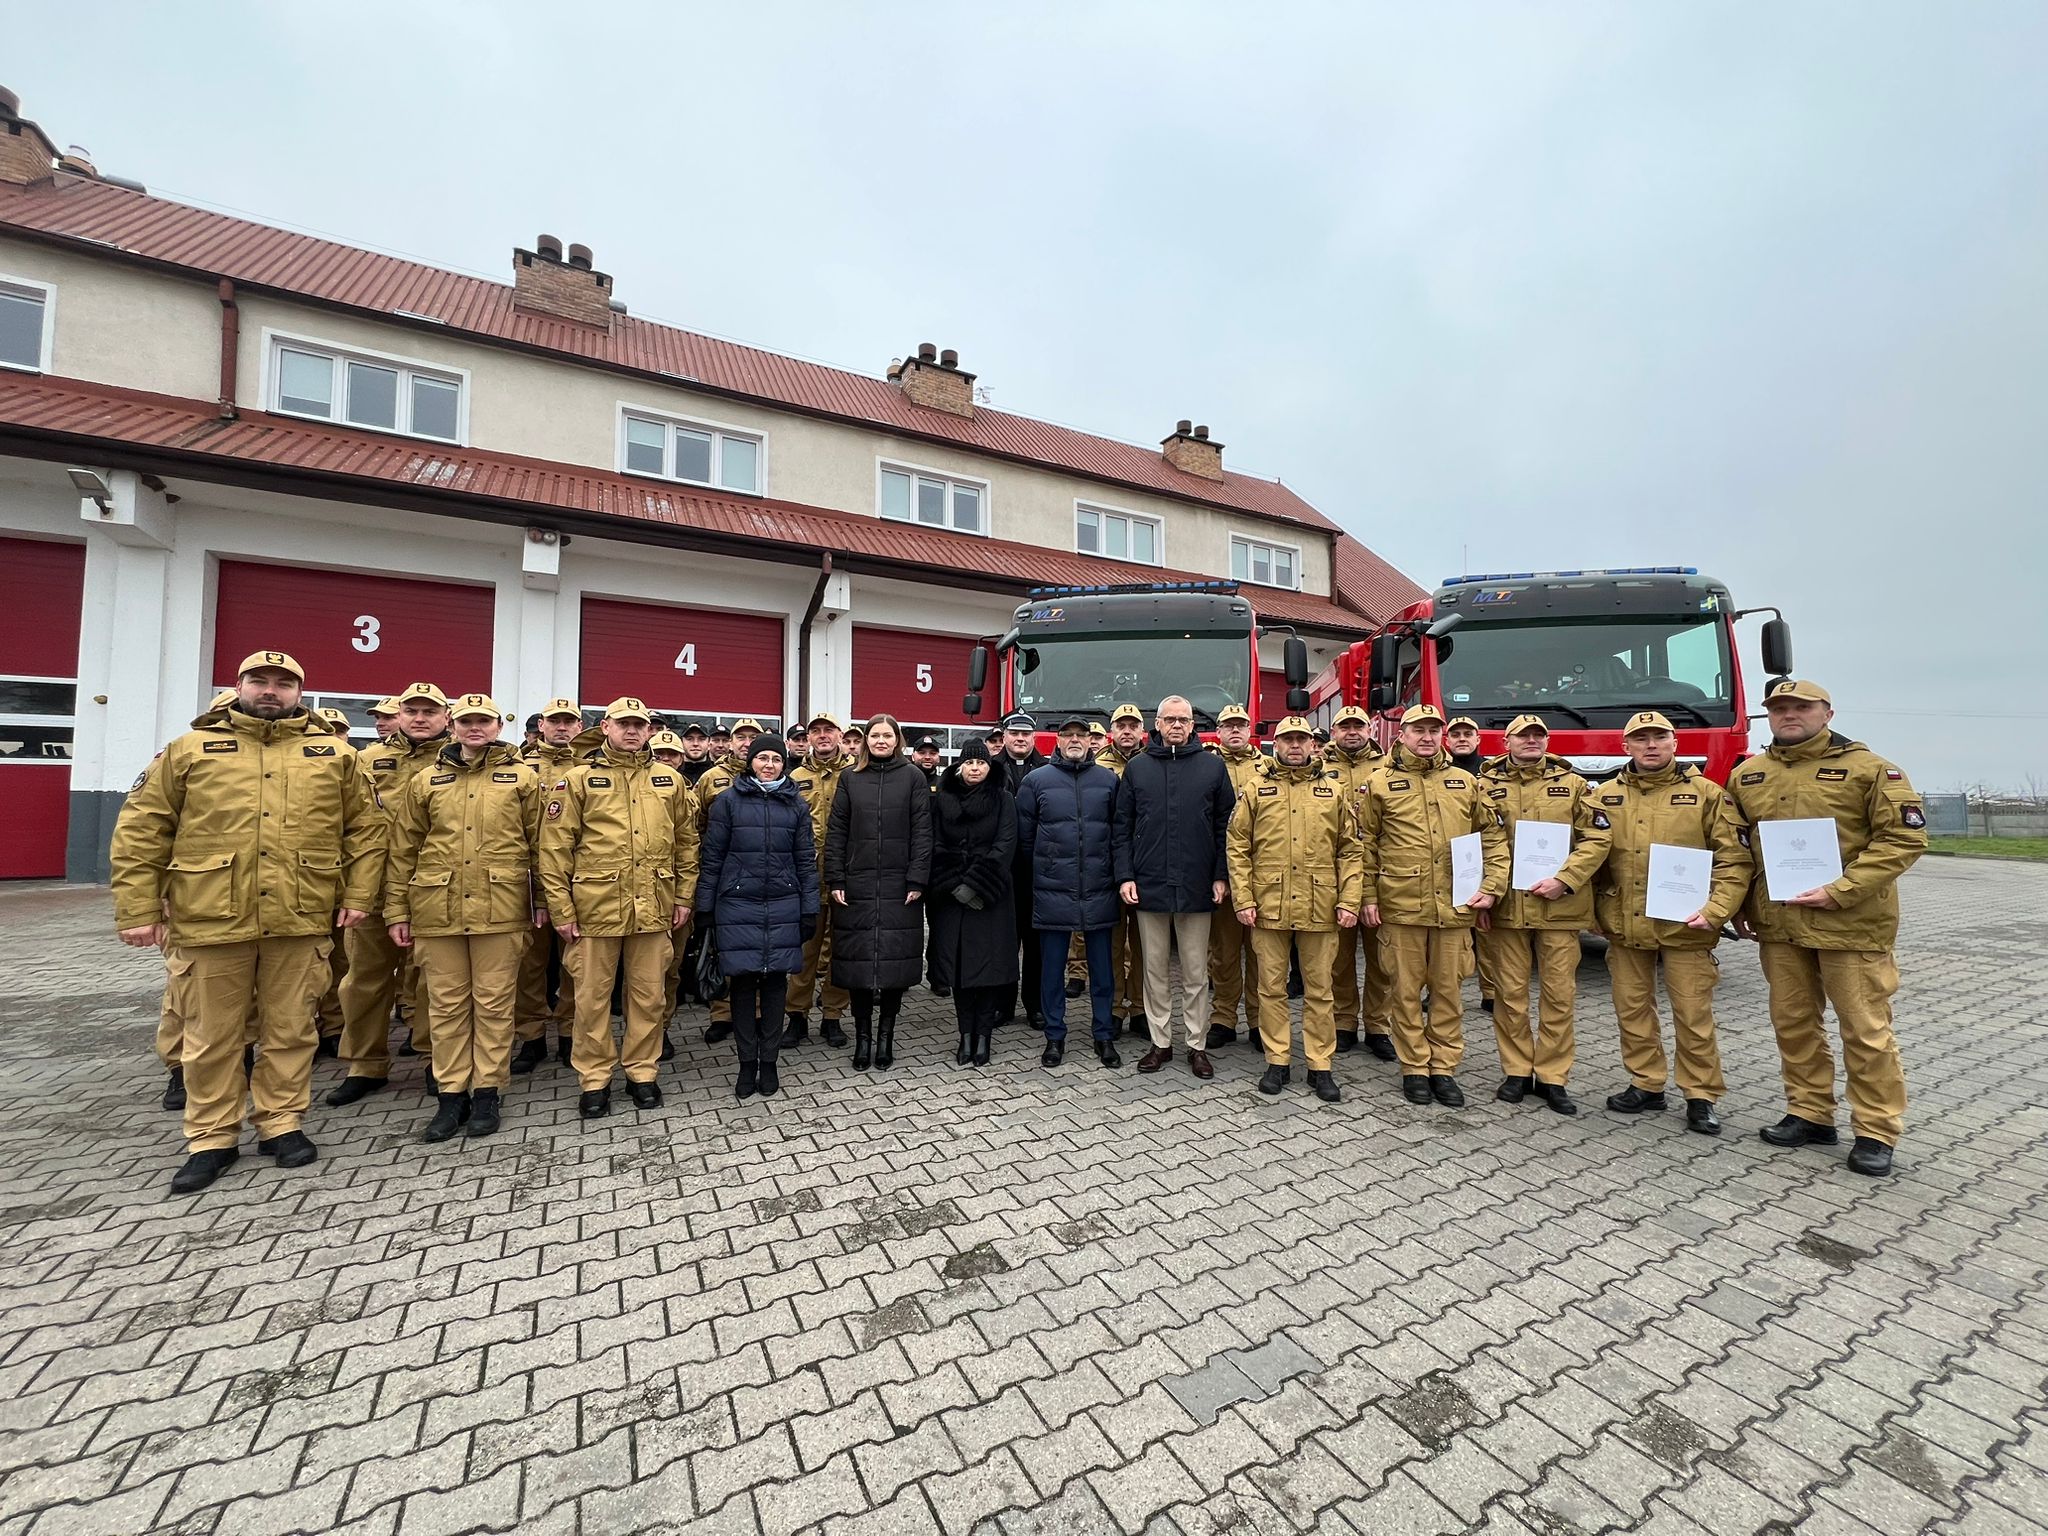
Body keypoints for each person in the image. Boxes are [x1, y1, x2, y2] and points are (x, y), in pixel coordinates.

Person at [111, 651, 382, 1194]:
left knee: (291, 1029)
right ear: (238, 686)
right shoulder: (189, 750)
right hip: (211, 915)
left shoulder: (334, 754)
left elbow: (366, 830)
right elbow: (143, 829)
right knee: (211, 1035)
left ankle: (281, 1122)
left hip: (300, 914)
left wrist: (358, 895)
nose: (270, 690)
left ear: (300, 692)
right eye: (260, 681)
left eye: (283, 683)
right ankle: (212, 1136)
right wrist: (138, 908)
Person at [1725, 680, 1926, 1177]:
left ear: (1827, 713)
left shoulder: (1871, 770)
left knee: (1865, 1028)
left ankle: (1876, 1130)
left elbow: (1904, 838)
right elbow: (1739, 848)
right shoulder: (1748, 775)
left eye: (1802, 707)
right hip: (1780, 923)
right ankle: (1810, 1112)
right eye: (1779, 708)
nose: (1789, 714)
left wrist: (1841, 889)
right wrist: (1740, 904)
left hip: (1850, 923)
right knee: (1793, 1022)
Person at [383, 694, 544, 1142]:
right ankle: (451, 1095)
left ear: (498, 727)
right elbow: (403, 850)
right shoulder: (426, 780)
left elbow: (541, 847)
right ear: (453, 725)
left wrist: (544, 902)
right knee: (446, 1006)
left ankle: (488, 1091)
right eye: (468, 720)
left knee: (494, 1005)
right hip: (438, 909)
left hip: (502, 908)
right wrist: (396, 909)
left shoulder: (523, 778)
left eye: (484, 721)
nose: (476, 728)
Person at [1591, 710, 1753, 1136]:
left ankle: (1700, 1095)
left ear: (1675, 744)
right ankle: (1646, 1083)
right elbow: (1591, 860)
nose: (1651, 745)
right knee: (1632, 1009)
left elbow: (1734, 861)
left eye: (1659, 737)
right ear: (1625, 746)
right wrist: (1592, 913)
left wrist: (1716, 911)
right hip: (1624, 924)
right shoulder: (1605, 795)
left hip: (1686, 926)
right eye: (1640, 739)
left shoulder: (1707, 794)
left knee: (1692, 1013)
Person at [536, 697, 697, 1117]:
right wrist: (562, 910)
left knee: (649, 997)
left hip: (654, 905)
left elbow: (686, 843)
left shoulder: (669, 780)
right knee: (591, 999)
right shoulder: (578, 779)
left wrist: (683, 896)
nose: (631, 731)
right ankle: (594, 1078)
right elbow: (554, 849)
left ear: (649, 730)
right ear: (605, 726)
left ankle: (642, 1072)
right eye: (623, 723)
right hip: (595, 908)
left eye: (639, 725)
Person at [1356, 704, 1509, 1107]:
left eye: (1433, 730)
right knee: (1404, 992)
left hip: (1455, 907)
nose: (1426, 737)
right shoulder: (1379, 783)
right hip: (1401, 906)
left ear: (1442, 735)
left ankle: (1443, 1067)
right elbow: (1365, 844)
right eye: (1418, 730)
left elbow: (1492, 838)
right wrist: (1368, 896)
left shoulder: (1466, 782)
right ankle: (1414, 1067)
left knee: (1448, 992)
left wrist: (1492, 886)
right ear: (1402, 735)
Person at [1475, 715, 1609, 1115]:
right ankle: (1516, 1070)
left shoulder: (1574, 785)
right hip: (1507, 907)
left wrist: (1566, 879)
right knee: (1510, 995)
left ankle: (1552, 1076)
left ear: (1547, 741)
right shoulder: (1484, 786)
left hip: (1558, 907)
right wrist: (1482, 895)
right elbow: (1472, 842)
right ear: (1506, 742)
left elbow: (1598, 836)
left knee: (1558, 996)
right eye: (1523, 736)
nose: (1531, 741)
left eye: (1538, 736)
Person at [1226, 717, 1364, 1100]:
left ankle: (1320, 1064)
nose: (1295, 745)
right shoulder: (1256, 789)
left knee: (1320, 989)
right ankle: (1278, 1060)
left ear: (1313, 744)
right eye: (1287, 739)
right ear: (1276, 744)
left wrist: (1350, 900)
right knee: (1271, 988)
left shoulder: (1333, 791)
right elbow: (1237, 847)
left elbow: (1350, 850)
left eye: (1302, 739)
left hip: (1321, 906)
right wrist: (1244, 899)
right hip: (1268, 904)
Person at [329, 682, 450, 1106]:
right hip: (375, 889)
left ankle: (435, 1061)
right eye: (411, 711)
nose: (420, 718)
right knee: (364, 982)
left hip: (436, 890)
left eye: (429, 712)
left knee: (433, 984)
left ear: (446, 717)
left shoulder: (457, 760)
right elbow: (346, 823)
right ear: (398, 716)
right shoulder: (366, 759)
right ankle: (365, 1065)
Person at [1114, 695, 1235, 1078]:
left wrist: (1221, 875)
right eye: (1170, 719)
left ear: (1193, 725)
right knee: (1155, 972)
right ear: (1158, 724)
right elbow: (1122, 827)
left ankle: (1197, 1046)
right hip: (1149, 884)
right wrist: (1125, 875)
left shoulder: (1212, 767)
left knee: (1196, 973)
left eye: (1184, 719)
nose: (1177, 725)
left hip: (1197, 885)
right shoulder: (1138, 768)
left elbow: (1225, 827)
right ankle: (1160, 1043)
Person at [696, 733, 818, 1099]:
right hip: (738, 904)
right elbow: (712, 858)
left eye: (776, 759)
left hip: (783, 904)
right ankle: (747, 1063)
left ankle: (771, 1061)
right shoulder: (728, 802)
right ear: (750, 761)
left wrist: (809, 909)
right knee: (744, 985)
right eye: (763, 758)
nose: (769, 765)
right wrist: (705, 907)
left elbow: (806, 862)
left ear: (784, 764)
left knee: (776, 985)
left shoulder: (796, 805)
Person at [826, 714, 933, 1070]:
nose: (881, 741)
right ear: (865, 741)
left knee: (893, 966)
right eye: (875, 735)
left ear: (897, 740)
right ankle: (862, 1038)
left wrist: (917, 879)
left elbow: (922, 833)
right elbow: (837, 831)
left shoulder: (913, 777)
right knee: (857, 965)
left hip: (899, 886)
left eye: (888, 735)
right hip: (856, 884)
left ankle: (885, 1037)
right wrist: (836, 878)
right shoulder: (850, 778)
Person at [1016, 718, 1123, 1068]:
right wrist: (1041, 873)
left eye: (1081, 735)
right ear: (1057, 741)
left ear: (1091, 741)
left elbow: (1118, 834)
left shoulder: (1108, 781)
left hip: (1099, 887)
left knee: (1102, 971)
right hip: (1053, 889)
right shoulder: (1036, 781)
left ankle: (1103, 1035)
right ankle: (1054, 1036)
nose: (1075, 740)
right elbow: (1024, 838)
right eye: (1068, 735)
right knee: (1051, 971)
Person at [926, 737, 1019, 1067]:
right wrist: (955, 884)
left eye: (981, 762)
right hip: (951, 898)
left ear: (989, 766)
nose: (975, 768)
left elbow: (1005, 844)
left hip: (991, 896)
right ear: (960, 766)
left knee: (988, 970)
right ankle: (965, 1034)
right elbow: (935, 842)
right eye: (969, 762)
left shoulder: (1003, 798)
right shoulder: (943, 799)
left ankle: (984, 1036)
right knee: (959, 971)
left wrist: (977, 886)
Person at [512, 698, 584, 1073]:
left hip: (575, 880)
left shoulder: (588, 768)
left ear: (579, 726)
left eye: (569, 721)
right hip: (526, 880)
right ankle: (531, 1036)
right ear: (541, 725)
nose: (562, 727)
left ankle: (570, 1033)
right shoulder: (517, 767)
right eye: (555, 721)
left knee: (574, 964)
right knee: (530, 965)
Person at [1321, 705, 1393, 1061]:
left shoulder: (1389, 767)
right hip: (1335, 878)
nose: (1352, 732)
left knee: (1382, 960)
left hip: (1381, 877)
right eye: (1345, 726)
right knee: (1339, 959)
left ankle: (1378, 1026)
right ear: (1334, 732)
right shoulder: (1319, 768)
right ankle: (1344, 1022)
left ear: (1370, 731)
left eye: (1359, 726)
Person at [785, 712, 852, 1049]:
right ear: (808, 738)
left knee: (841, 951)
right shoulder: (794, 777)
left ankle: (832, 1016)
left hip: (845, 878)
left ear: (840, 734)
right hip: (807, 881)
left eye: (829, 730)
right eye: (816, 731)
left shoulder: (855, 774)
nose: (823, 735)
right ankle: (796, 1016)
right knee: (803, 953)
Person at [693, 718, 762, 1044]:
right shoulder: (711, 778)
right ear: (729, 742)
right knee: (722, 946)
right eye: (741, 737)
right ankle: (721, 1014)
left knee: (756, 945)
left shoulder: (769, 775)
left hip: (758, 875)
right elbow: (696, 825)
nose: (746, 743)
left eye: (753, 737)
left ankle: (757, 1012)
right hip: (722, 875)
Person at [1204, 705, 1265, 1047]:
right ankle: (1223, 1018)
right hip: (1224, 871)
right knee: (1224, 952)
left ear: (1249, 728)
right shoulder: (1209, 766)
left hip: (1261, 874)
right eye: (1228, 726)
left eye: (1241, 725)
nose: (1235, 731)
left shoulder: (1267, 767)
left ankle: (1258, 1020)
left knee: (1259, 953)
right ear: (1219, 731)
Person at [1094, 703, 1149, 1033]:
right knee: (1111, 944)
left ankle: (1140, 1007)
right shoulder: (1097, 766)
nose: (1127, 731)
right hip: (1107, 866)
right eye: (1121, 726)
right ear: (1110, 731)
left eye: (1133, 726)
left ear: (1143, 731)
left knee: (1144, 945)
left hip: (1143, 865)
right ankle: (1114, 1007)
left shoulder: (1152, 763)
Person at [994, 712, 1049, 1026]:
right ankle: (1002, 1005)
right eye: (1013, 733)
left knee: (1036, 943)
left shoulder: (1047, 770)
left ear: (1033, 737)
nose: (1019, 739)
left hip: (1036, 870)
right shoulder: (990, 769)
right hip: (1002, 871)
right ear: (1004, 737)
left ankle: (1035, 1005)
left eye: (1025, 734)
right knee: (1003, 942)